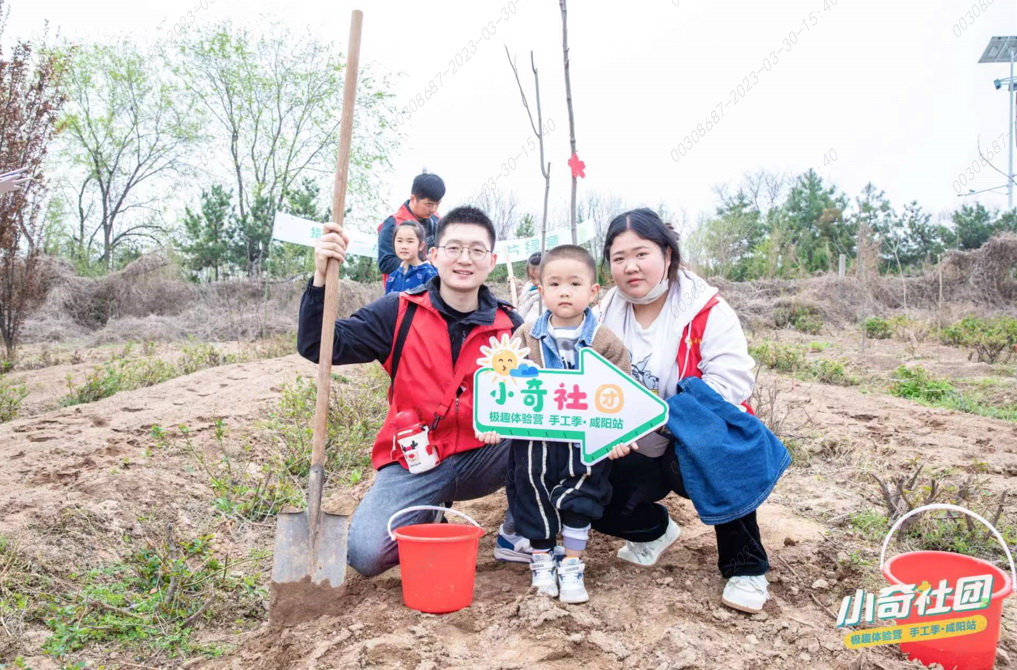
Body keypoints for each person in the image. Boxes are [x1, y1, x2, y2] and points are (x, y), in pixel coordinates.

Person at [298, 206, 524, 577]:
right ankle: (427, 510)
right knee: (367, 554)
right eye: (453, 248)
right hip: (415, 458)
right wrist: (321, 278)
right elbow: (319, 345)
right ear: (433, 255)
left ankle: (519, 532)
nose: (464, 259)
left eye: (476, 250)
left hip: (486, 453)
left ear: (492, 261)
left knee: (539, 435)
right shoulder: (398, 312)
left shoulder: (511, 327)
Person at [594, 208, 772, 615]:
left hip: (691, 436)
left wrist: (665, 412)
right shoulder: (604, 312)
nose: (630, 267)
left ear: (668, 254)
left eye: (641, 254)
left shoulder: (705, 309)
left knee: (717, 452)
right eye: (619, 258)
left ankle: (746, 566)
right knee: (587, 490)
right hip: (633, 441)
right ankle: (654, 531)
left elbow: (731, 382)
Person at [479, 245, 630, 604]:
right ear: (540, 289)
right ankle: (542, 562)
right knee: (531, 497)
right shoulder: (526, 335)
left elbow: (622, 392)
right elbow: (501, 382)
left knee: (582, 497)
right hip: (533, 442)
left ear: (593, 292)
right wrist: (490, 421)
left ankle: (573, 566)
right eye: (555, 283)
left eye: (575, 284)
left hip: (584, 442)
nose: (565, 291)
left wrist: (620, 435)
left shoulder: (605, 340)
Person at [377, 172, 445, 278]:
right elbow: (385, 263)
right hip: (402, 289)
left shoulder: (438, 221)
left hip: (432, 288)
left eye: (437, 204)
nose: (433, 209)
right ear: (413, 199)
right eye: (429, 204)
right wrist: (420, 264)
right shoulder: (393, 224)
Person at [384, 221, 438, 294]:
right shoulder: (393, 276)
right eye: (399, 241)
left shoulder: (429, 274)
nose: (404, 246)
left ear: (421, 246)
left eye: (410, 241)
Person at [515, 252, 543, 321]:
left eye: (540, 277)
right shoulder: (529, 287)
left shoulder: (545, 298)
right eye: (533, 278)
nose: (537, 282)